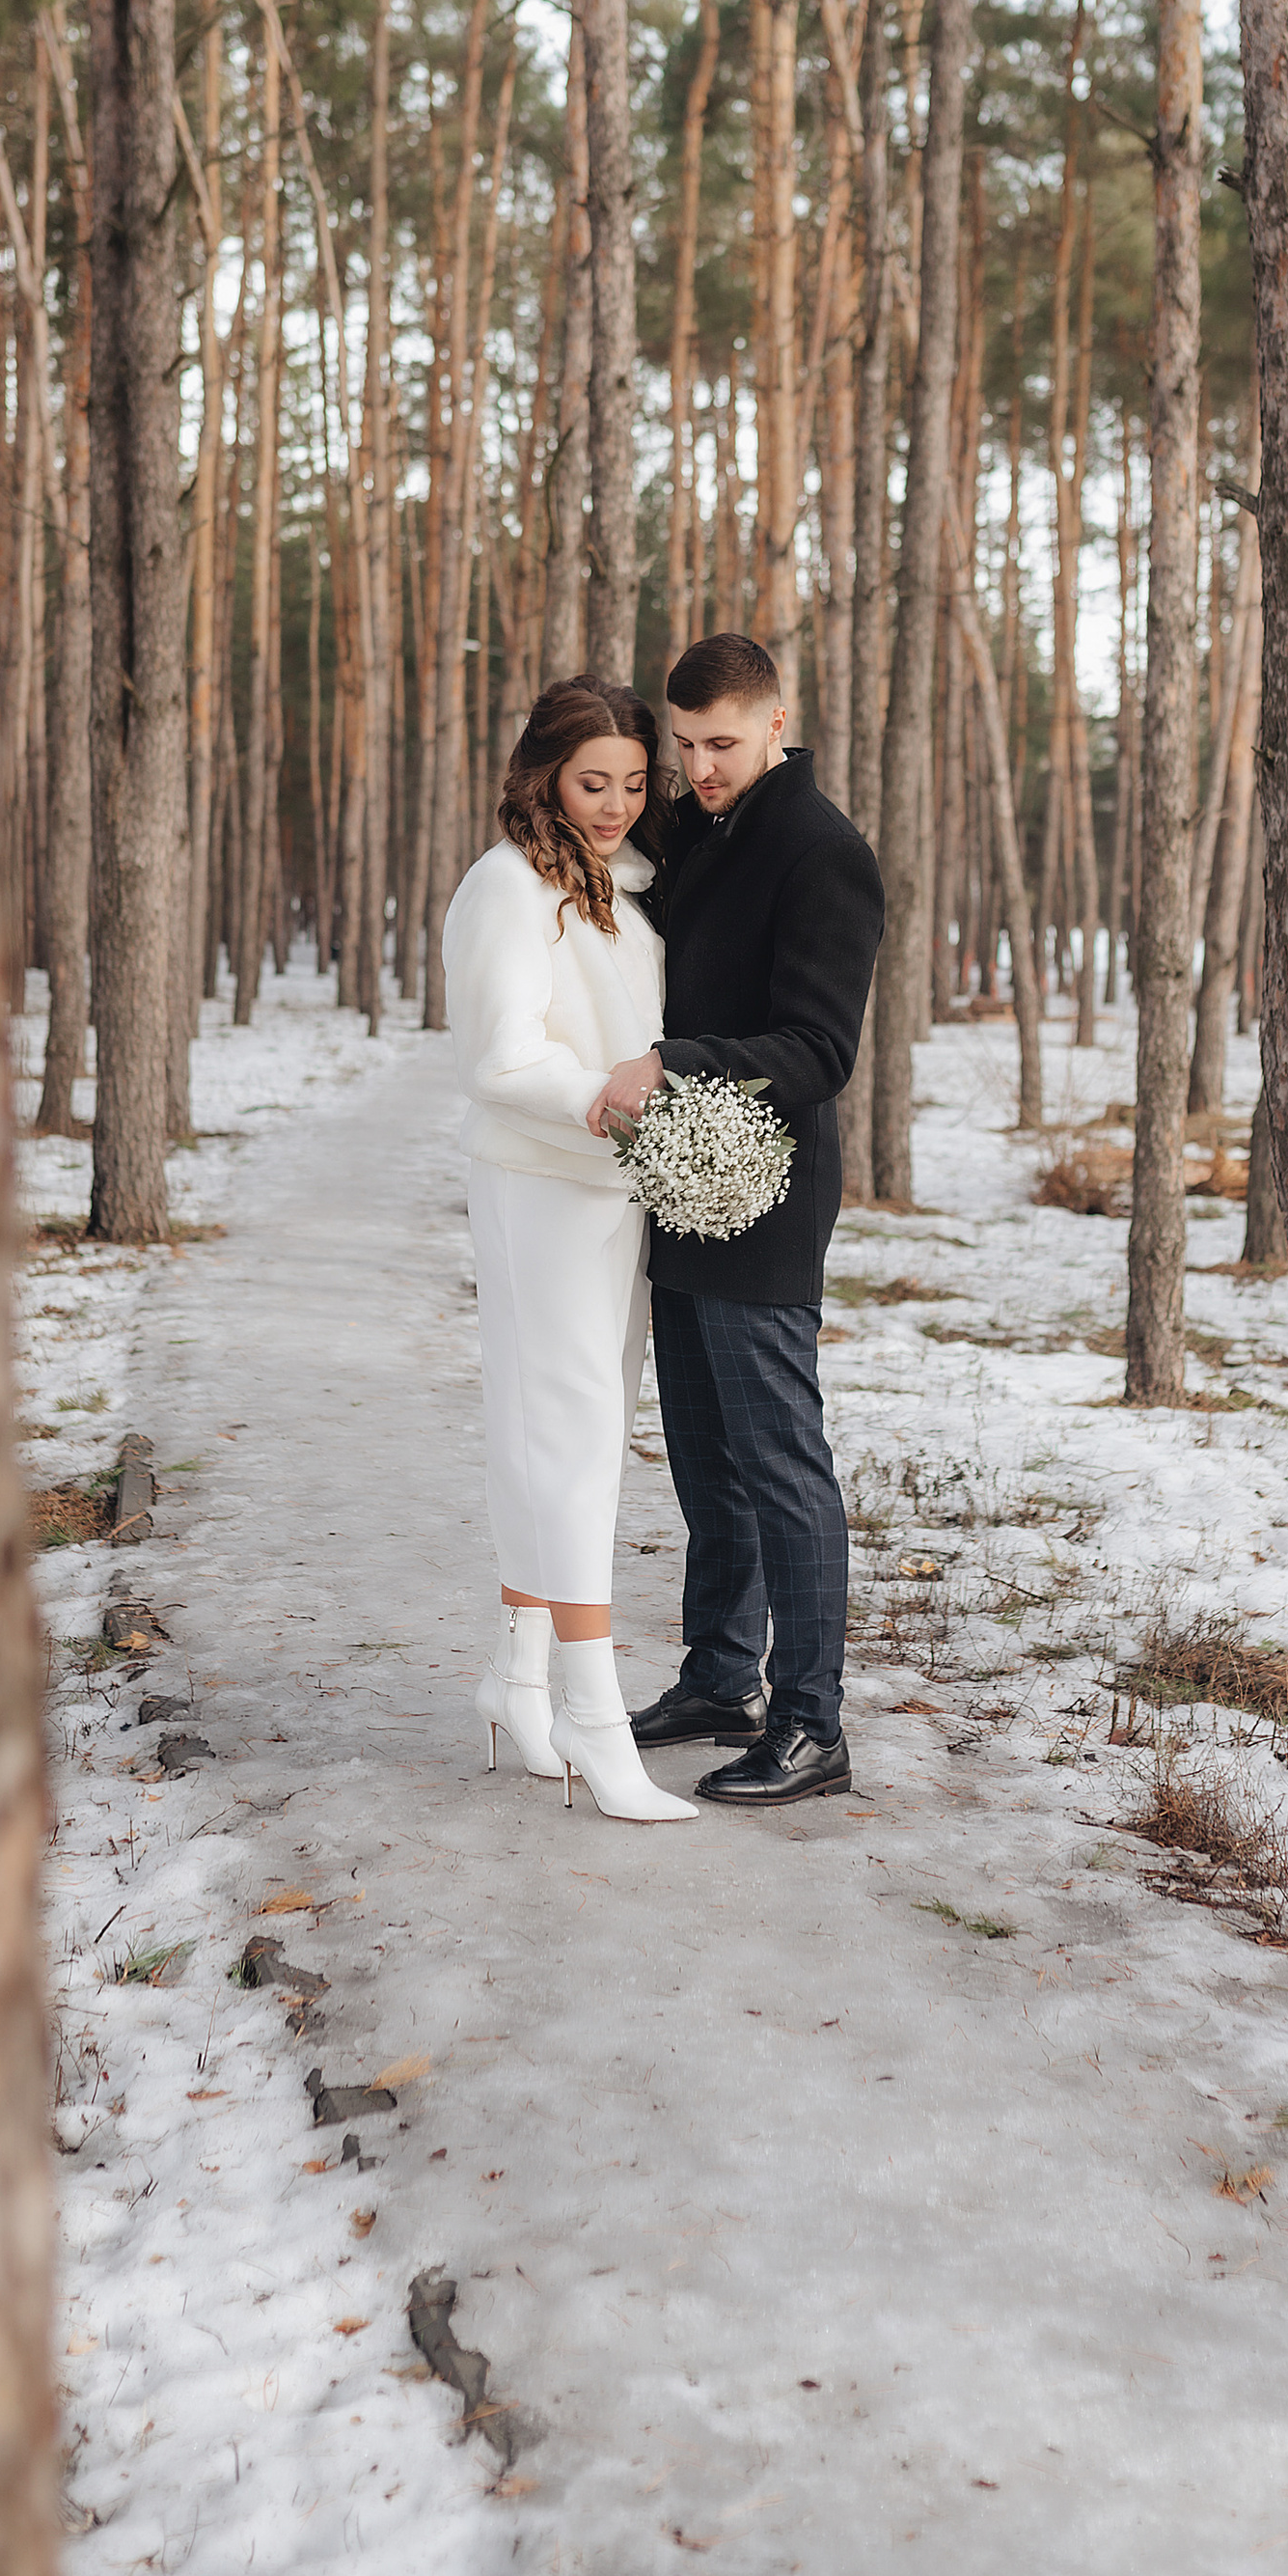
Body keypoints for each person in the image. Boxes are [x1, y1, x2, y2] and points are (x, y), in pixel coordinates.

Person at [589, 633, 886, 1807]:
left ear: (776, 723)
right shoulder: (693, 829)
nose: (699, 767)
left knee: (779, 1466)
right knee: (706, 1459)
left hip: (766, 1195)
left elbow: (818, 1051)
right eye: (685, 745)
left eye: (721, 743)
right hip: (682, 1185)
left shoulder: (823, 854)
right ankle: (721, 1680)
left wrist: (674, 1062)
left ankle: (812, 1724)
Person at [441, 679, 696, 1825]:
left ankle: (520, 1670)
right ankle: (595, 1714)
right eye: (594, 782)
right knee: (573, 1431)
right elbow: (502, 1057)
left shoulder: (619, 884)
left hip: (606, 1185)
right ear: (542, 772)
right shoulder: (508, 886)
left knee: (547, 1426)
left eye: (635, 783)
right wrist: (607, 1100)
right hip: (545, 1182)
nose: (615, 804)